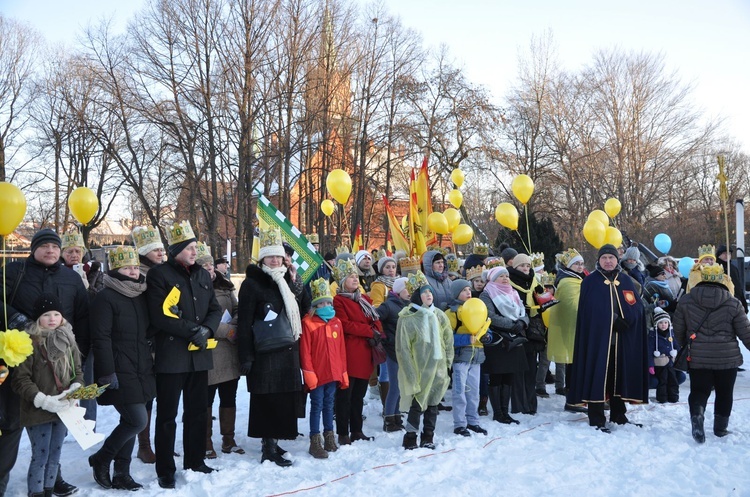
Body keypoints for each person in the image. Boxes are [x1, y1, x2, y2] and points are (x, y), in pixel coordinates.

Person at [1, 228, 89, 496]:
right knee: (11, 423)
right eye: (45, 245)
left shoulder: (70, 278)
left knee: (56, 426)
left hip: (59, 367)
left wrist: (77, 364)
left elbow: (83, 318)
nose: (50, 250)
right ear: (34, 248)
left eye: (55, 246)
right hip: (19, 360)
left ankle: (53, 478)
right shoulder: (14, 271)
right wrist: (17, 320)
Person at [146, 221, 221, 488]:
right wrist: (193, 331)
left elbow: (215, 308)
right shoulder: (159, 275)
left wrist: (208, 330)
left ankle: (195, 460)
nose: (194, 251)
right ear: (177, 249)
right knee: (167, 415)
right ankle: (165, 468)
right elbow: (159, 315)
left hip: (199, 355)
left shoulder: (202, 275)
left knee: (198, 411)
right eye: (189, 248)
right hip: (172, 355)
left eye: (196, 247)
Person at [237, 227, 310, 467]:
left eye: (278, 256)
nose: (275, 260)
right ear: (262, 259)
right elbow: (244, 322)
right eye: (271, 257)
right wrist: (245, 356)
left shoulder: (286, 279)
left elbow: (303, 306)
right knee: (267, 399)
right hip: (265, 353)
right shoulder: (252, 284)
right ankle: (267, 448)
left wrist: (295, 277)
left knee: (282, 399)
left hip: (287, 348)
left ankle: (275, 439)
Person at [88, 246, 155, 491]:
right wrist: (107, 373)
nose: (133, 272)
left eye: (136, 267)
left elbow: (147, 331)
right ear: (115, 269)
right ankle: (101, 458)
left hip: (141, 365)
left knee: (129, 419)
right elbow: (101, 337)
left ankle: (121, 472)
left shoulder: (141, 294)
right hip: (118, 366)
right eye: (127, 267)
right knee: (137, 420)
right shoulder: (106, 297)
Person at [567, 244, 649, 433]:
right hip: (598, 341)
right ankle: (596, 418)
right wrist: (612, 320)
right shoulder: (590, 282)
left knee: (619, 375)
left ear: (617, 260)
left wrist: (629, 319)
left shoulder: (626, 280)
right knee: (598, 376)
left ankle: (619, 414)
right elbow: (589, 311)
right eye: (604, 258)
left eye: (611, 258)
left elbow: (636, 306)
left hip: (622, 341)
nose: (608, 261)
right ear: (599, 260)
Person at [12, 294, 83, 497]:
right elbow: (21, 380)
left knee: (55, 455)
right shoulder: (28, 343)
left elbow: (78, 371)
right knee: (41, 456)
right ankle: (36, 492)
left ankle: (49, 490)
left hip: (64, 409)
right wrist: (43, 400)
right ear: (37, 318)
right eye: (46, 315)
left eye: (56, 314)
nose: (52, 318)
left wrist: (75, 388)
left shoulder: (68, 340)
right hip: (37, 411)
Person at [673, 263, 750, 443]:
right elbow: (745, 333)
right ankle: (720, 428)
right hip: (727, 358)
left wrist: (687, 344)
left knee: (699, 390)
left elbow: (678, 330)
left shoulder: (686, 301)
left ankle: (697, 416)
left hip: (698, 356)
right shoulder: (733, 302)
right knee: (725, 392)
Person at [396, 271, 454, 449]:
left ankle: (428, 436)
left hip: (438, 369)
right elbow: (403, 348)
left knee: (433, 404)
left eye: (430, 292)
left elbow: (448, 339)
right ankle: (411, 437)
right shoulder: (408, 318)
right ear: (416, 296)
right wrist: (411, 373)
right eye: (424, 292)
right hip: (419, 369)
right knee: (417, 405)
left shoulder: (438, 315)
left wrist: (447, 363)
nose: (429, 295)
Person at [196, 247, 244, 458]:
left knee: (229, 397)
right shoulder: (194, 289)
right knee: (206, 399)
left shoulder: (226, 286)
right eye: (203, 265)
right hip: (209, 350)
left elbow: (237, 309)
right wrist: (227, 330)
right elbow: (199, 317)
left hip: (229, 351)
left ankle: (228, 439)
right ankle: (205, 441)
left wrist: (235, 325)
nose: (209, 268)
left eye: (210, 264)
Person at [332, 258, 382, 445]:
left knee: (359, 395)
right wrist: (369, 330)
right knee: (345, 395)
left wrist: (375, 330)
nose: (355, 279)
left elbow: (376, 319)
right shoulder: (339, 300)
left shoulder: (365, 299)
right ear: (342, 281)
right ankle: (343, 432)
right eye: (350, 277)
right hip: (350, 352)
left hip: (365, 351)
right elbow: (345, 325)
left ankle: (357, 430)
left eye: (356, 276)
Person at [300, 278, 349, 459]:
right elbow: (305, 351)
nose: (326, 306)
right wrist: (309, 373)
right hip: (318, 373)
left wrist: (343, 371)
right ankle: (315, 440)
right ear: (315, 305)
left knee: (329, 405)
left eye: (329, 302)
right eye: (322, 303)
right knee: (317, 405)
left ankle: (329, 436)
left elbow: (341, 350)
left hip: (333, 372)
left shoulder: (336, 322)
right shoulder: (309, 323)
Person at [131, 225, 165, 464]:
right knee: (146, 397)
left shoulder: (160, 272)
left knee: (160, 395)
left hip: (162, 341)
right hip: (146, 342)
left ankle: (157, 443)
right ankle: (144, 445)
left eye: (162, 249)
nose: (161, 253)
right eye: (156, 250)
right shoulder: (140, 275)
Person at [479, 266, 529, 424]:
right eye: (501, 276)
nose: (506, 278)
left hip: (514, 339)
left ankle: (505, 412)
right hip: (498, 340)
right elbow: (490, 315)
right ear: (493, 279)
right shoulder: (486, 293)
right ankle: (498, 413)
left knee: (509, 376)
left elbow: (523, 311)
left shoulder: (513, 292)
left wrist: (522, 322)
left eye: (507, 276)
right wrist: (511, 324)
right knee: (497, 377)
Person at [60, 232, 100, 429]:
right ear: (62, 253)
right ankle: (66, 422)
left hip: (89, 334)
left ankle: (89, 423)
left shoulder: (95, 271)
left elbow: (101, 301)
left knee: (88, 380)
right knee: (64, 380)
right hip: (64, 335)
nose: (74, 255)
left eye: (77, 251)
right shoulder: (56, 273)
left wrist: (87, 287)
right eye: (69, 251)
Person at [445, 279, 488, 437]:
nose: (468, 292)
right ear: (456, 293)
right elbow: (446, 337)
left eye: (469, 289)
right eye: (464, 290)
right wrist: (465, 340)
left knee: (474, 391)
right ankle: (459, 423)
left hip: (476, 356)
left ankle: (473, 421)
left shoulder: (477, 308)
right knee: (459, 392)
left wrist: (487, 337)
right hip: (460, 359)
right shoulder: (451, 313)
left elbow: (484, 328)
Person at [547, 249, 586, 408]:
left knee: (576, 363)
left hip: (577, 326)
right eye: (576, 263)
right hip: (572, 327)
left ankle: (578, 396)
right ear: (569, 265)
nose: (580, 266)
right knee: (574, 363)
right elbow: (572, 305)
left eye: (582, 263)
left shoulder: (577, 279)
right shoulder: (568, 281)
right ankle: (573, 398)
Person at [507, 253, 543, 416]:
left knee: (531, 368)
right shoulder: (509, 281)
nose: (526, 269)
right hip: (518, 327)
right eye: (522, 266)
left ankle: (530, 403)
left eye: (528, 266)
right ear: (515, 267)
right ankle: (519, 404)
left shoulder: (534, 281)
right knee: (518, 368)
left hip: (533, 329)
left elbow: (541, 299)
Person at [376, 276, 410, 432]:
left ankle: (396, 416)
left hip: (404, 350)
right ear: (397, 290)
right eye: (406, 289)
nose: (409, 292)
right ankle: (389, 418)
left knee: (400, 386)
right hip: (392, 350)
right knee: (395, 386)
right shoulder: (389, 305)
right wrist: (384, 337)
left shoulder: (408, 305)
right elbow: (375, 319)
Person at [648, 307, 680, 404]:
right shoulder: (653, 335)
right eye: (661, 323)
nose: (663, 325)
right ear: (657, 324)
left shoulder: (671, 334)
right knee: (663, 379)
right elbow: (649, 351)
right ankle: (662, 397)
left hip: (670, 362)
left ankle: (673, 396)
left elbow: (676, 346)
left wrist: (677, 354)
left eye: (666, 323)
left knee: (673, 379)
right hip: (660, 363)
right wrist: (650, 365)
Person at [716, 244, 748, 313]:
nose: (727, 255)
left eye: (729, 253)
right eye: (724, 253)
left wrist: (743, 302)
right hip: (722, 303)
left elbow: (738, 287)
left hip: (736, 301)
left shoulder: (733, 268)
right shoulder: (715, 268)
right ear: (719, 255)